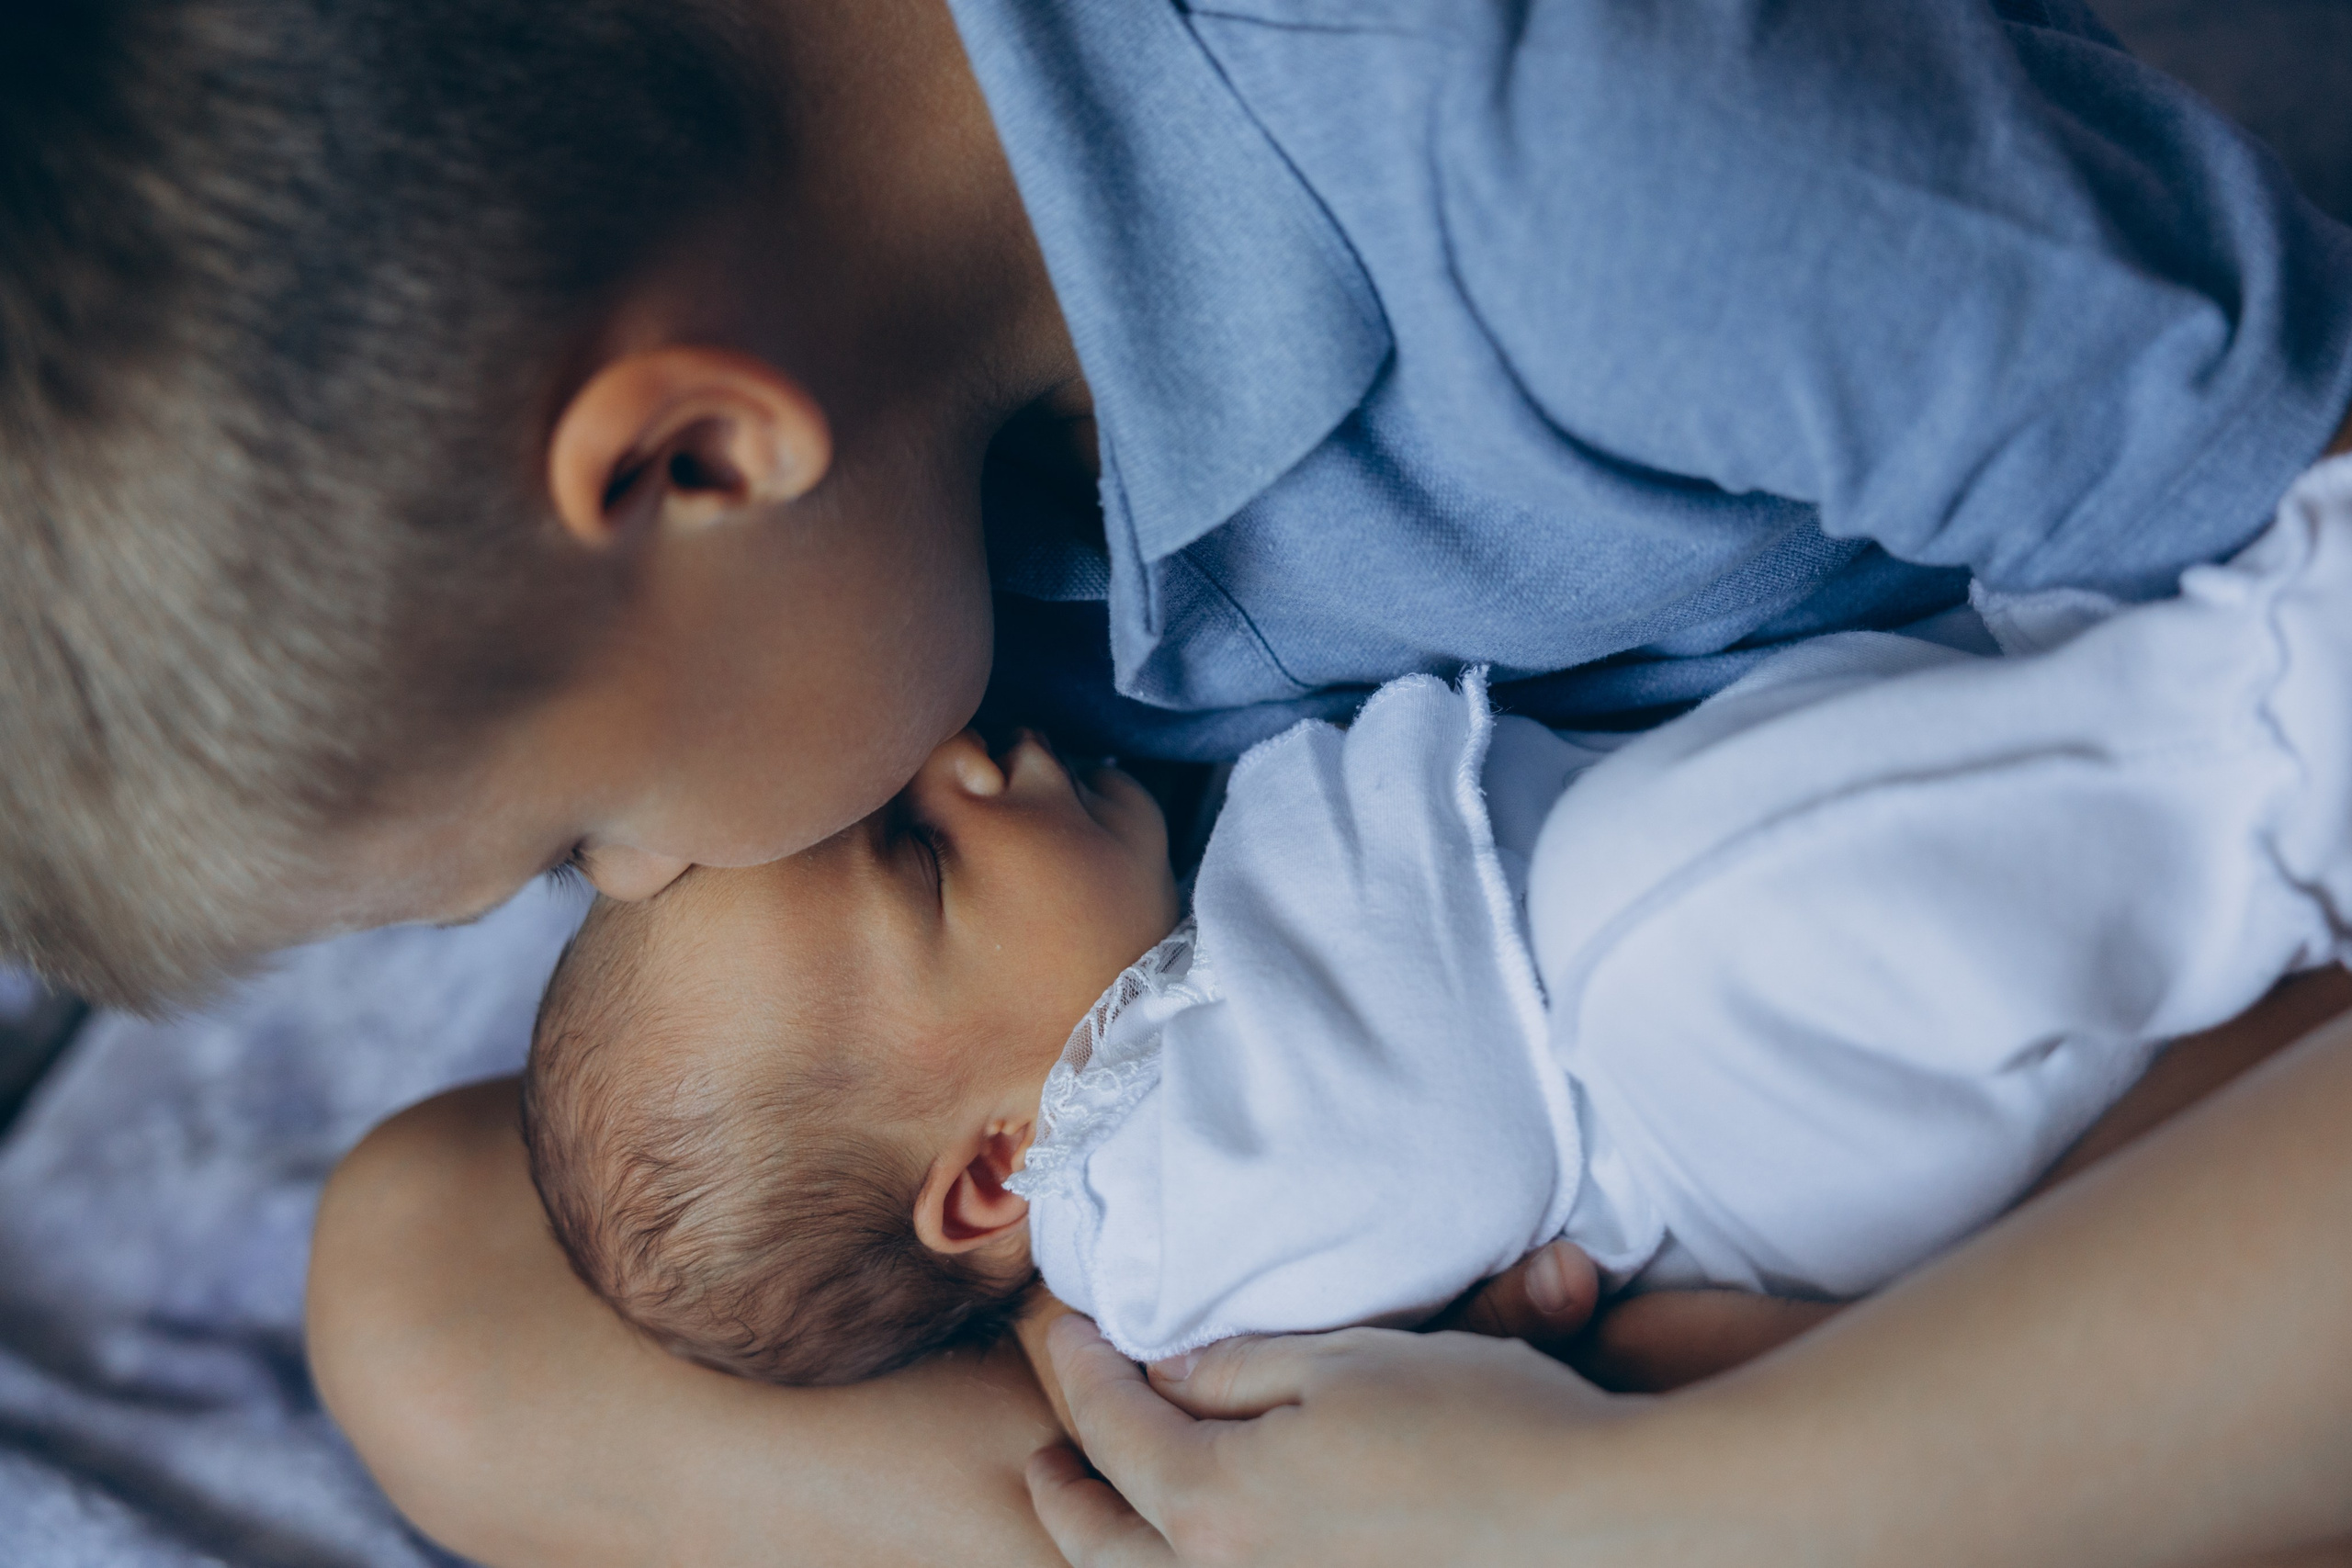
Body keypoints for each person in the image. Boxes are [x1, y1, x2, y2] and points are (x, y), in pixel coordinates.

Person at [0, 0, 2343, 1561]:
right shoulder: (829, 509)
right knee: (424, 1278)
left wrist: (1664, 1490)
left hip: (2003, 968)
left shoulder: (1571, 148)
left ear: (703, 456)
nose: (641, 883)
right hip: (1457, 1192)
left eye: (573, 837)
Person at [504, 459, 2352, 1404]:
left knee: (1768, 818)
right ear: (993, 1171)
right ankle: (2271, 726)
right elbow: (1457, 1127)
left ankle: (2126, 684)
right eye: (918, 856)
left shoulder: (1133, 1042)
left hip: (1713, 1020)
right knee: (1653, 912)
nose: (964, 760)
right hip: (1712, 1129)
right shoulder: (1151, 1240)